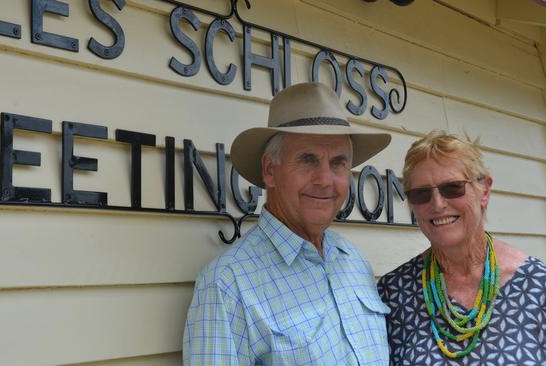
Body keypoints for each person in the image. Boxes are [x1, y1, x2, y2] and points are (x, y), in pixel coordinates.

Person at [182, 82, 392, 365]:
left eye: (338, 163)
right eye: (308, 160)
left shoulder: (353, 261)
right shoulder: (227, 286)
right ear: (270, 170)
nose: (325, 180)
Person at [378, 130, 546, 365]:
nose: (437, 204)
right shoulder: (393, 292)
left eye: (453, 187)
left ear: (484, 191)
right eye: (421, 194)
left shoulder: (538, 285)